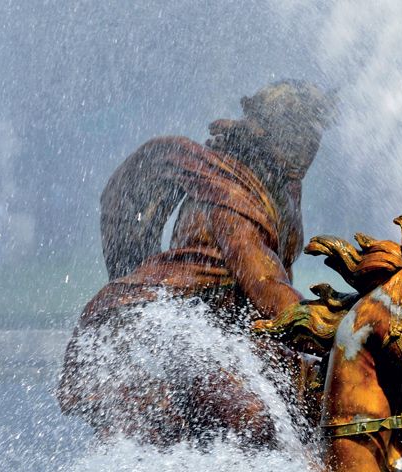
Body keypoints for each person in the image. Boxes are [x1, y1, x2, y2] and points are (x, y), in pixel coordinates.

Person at [59, 80, 333, 444]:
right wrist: (343, 327)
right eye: (301, 131)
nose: (310, 144)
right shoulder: (230, 191)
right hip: (166, 326)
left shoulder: (281, 186)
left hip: (224, 328)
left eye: (313, 133)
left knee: (315, 402)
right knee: (250, 418)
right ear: (269, 132)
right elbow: (267, 289)